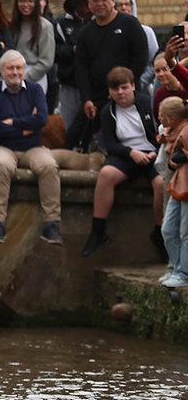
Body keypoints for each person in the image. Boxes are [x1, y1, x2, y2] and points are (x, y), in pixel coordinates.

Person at [0, 49, 63, 246]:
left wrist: (10, 123)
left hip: (31, 148)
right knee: (1, 166)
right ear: (1, 71)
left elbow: (41, 119)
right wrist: (24, 128)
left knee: (49, 166)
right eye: (10, 68)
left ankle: (51, 223)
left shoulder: (35, 90)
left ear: (25, 70)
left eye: (19, 68)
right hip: (0, 147)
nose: (15, 72)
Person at [81, 67, 160, 257]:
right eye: (115, 89)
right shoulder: (107, 112)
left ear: (133, 86)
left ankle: (160, 232)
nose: (120, 93)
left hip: (152, 155)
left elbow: (162, 132)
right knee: (106, 174)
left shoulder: (147, 103)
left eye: (124, 87)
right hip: (125, 155)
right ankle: (98, 231)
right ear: (109, 91)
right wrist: (131, 152)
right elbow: (111, 144)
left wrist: (156, 152)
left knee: (161, 183)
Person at [71, 0, 149, 153]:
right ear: (89, 4)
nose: (100, 3)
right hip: (96, 96)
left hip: (126, 94)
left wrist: (124, 86)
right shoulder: (85, 32)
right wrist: (86, 98)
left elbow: (140, 57)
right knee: (74, 135)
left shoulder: (130, 24)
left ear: (112, 0)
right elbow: (81, 66)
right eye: (95, 0)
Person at [157, 97, 188, 287]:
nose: (159, 118)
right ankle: (178, 268)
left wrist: (183, 156)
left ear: (173, 119)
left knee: (186, 233)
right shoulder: (171, 132)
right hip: (178, 183)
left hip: (186, 185)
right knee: (168, 229)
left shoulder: (185, 131)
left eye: (162, 116)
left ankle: (183, 273)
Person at [53, 0, 93, 121]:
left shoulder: (99, 21)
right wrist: (73, 50)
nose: (86, 8)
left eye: (89, 3)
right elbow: (55, 52)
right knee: (69, 122)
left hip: (94, 82)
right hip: (69, 81)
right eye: (82, 4)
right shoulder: (61, 23)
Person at [9, 0, 55, 94]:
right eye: (22, 1)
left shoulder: (44, 26)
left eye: (30, 1)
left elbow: (46, 61)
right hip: (12, 75)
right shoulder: (12, 26)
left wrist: (24, 77)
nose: (26, 4)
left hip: (34, 76)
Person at [111, 0, 159, 91]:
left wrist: (140, 82)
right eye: (120, 5)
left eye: (127, 4)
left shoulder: (146, 31)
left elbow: (154, 61)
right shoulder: (109, 31)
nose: (124, 8)